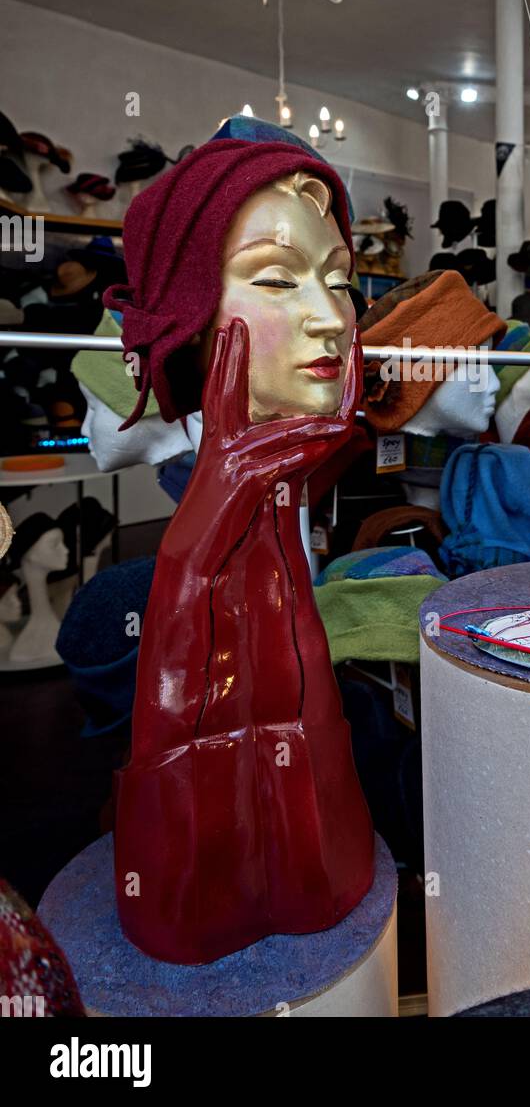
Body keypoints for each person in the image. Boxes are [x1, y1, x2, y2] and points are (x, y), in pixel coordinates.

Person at [104, 121, 374, 964]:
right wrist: (208, 522)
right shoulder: (210, 524)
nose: (331, 318)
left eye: (339, 280)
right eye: (276, 279)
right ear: (195, 310)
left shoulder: (290, 482)